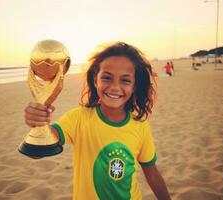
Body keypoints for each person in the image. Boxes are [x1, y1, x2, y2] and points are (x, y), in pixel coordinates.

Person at [24, 42, 171, 200]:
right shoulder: (78, 119)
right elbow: (36, 154)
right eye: (107, 78)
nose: (115, 87)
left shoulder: (140, 126)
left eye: (125, 81)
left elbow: (152, 174)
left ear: (134, 86)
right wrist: (38, 124)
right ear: (95, 80)